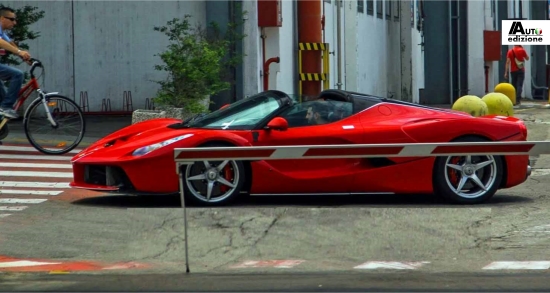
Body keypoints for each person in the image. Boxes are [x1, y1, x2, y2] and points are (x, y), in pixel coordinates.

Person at [0, 7, 31, 119]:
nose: (15, 22)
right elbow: (1, 42)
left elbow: (9, 43)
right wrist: (19, 52)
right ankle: (6, 108)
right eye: (12, 19)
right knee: (17, 74)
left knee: (3, 98)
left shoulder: (1, 32)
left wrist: (23, 56)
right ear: (2, 18)